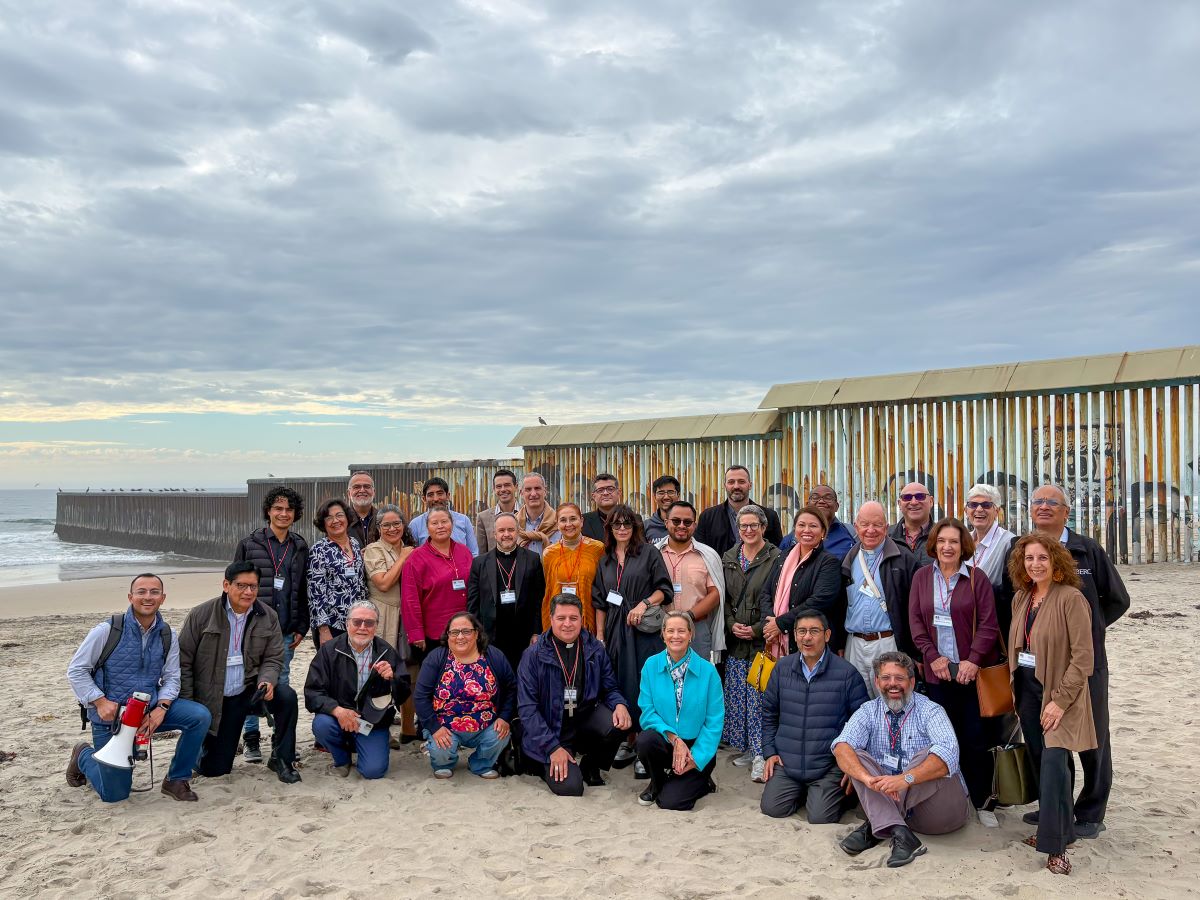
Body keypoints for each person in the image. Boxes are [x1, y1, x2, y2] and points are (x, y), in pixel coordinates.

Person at [1001, 483, 1129, 837]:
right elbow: (1010, 599)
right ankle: (1054, 806)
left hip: (1082, 665)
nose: (1043, 507)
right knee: (1043, 740)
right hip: (1033, 667)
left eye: (1051, 502)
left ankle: (1090, 811)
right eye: (1037, 501)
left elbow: (1117, 600)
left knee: (1092, 738)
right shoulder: (1020, 548)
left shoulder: (1086, 549)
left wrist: (1086, 631)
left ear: (1066, 511)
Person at [65, 574, 211, 803]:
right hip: (111, 718)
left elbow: (173, 677)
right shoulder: (107, 630)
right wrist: (100, 702)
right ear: (130, 596)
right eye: (141, 591)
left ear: (162, 598)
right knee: (115, 795)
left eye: (154, 592)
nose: (147, 597)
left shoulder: (167, 635)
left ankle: (176, 778)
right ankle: (83, 754)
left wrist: (161, 708)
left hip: (148, 711)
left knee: (199, 716)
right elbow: (76, 670)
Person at [1007, 534, 1096, 876]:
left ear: (1056, 561)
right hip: (1027, 692)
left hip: (1061, 694)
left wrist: (1059, 701)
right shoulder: (1021, 598)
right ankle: (1064, 831)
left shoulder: (1071, 598)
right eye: (1029, 558)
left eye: (1042, 557)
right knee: (1041, 763)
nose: (1035, 564)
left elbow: (1083, 659)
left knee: (1056, 766)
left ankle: (1055, 847)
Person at [832, 652, 972, 868]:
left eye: (900, 678)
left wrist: (905, 779)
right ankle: (899, 831)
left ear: (912, 682)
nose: (893, 684)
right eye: (886, 678)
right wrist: (866, 779)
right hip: (890, 799)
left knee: (931, 755)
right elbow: (841, 746)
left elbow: (948, 754)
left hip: (937, 813)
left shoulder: (931, 710)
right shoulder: (868, 711)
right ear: (877, 682)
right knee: (855, 755)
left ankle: (877, 826)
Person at [177, 562, 301, 783]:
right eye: (242, 586)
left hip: (250, 690)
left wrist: (267, 681)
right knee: (215, 769)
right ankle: (203, 748)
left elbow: (273, 658)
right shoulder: (201, 615)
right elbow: (183, 661)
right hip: (216, 698)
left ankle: (282, 758)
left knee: (287, 697)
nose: (248, 592)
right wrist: (189, 704)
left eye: (253, 586)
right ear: (226, 585)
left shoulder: (268, 616)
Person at [908, 518, 1000, 809]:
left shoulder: (977, 578)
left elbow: (988, 625)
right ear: (934, 545)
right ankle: (948, 799)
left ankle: (983, 802)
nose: (948, 547)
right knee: (942, 739)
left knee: (975, 739)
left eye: (954, 542)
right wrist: (932, 657)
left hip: (971, 675)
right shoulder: (922, 577)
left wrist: (972, 662)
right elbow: (916, 623)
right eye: (943, 541)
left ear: (964, 547)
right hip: (938, 675)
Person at [517, 594, 633, 796]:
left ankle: (590, 765)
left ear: (581, 618)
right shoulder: (533, 655)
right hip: (551, 730)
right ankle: (541, 761)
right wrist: (553, 748)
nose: (567, 624)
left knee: (620, 722)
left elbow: (610, 687)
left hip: (581, 721)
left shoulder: (594, 648)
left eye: (573, 618)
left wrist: (620, 705)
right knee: (571, 788)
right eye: (561, 618)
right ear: (551, 619)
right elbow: (527, 709)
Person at [760, 610, 869, 821]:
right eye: (801, 631)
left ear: (827, 635)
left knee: (820, 818)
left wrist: (852, 764)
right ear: (794, 635)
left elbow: (862, 724)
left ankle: (828, 794)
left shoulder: (847, 674)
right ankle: (803, 792)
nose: (807, 637)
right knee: (772, 809)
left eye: (813, 631)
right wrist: (770, 752)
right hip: (787, 763)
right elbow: (769, 714)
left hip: (828, 766)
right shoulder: (782, 668)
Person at [591, 505, 673, 776]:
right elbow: (599, 601)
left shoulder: (649, 553)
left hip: (643, 632)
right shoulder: (604, 559)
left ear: (635, 527)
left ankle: (645, 744)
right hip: (615, 631)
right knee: (620, 683)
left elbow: (665, 590)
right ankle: (629, 739)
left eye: (627, 524)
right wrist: (600, 636)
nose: (622, 529)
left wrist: (643, 604)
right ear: (610, 529)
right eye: (617, 525)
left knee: (645, 684)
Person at [232, 485, 309, 764]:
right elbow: (234, 585)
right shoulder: (249, 543)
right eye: (278, 508)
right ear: (268, 511)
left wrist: (302, 625)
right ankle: (251, 739)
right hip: (250, 627)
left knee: (283, 684)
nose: (283, 513)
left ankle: (281, 740)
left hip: (286, 629)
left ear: (295, 513)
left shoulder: (300, 546)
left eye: (289, 509)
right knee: (249, 682)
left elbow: (303, 589)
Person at [304, 599, 412, 779]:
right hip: (338, 719)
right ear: (347, 624)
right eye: (357, 622)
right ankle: (342, 759)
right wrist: (338, 711)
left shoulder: (386, 651)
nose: (363, 627)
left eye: (369, 623)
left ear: (376, 626)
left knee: (373, 771)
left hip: (372, 723)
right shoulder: (329, 651)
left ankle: (369, 744)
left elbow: (403, 695)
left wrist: (393, 679)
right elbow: (312, 692)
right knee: (321, 725)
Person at [635, 611, 725, 810]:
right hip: (666, 740)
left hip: (696, 747)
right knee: (645, 740)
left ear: (691, 634)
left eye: (681, 631)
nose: (676, 636)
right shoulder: (651, 666)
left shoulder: (708, 672)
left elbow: (714, 721)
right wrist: (675, 739)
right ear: (663, 634)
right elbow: (647, 711)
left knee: (671, 802)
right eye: (670, 631)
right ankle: (657, 782)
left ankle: (702, 780)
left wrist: (697, 757)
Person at [413, 612, 517, 779]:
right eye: (454, 632)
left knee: (501, 734)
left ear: (476, 633)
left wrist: (504, 717)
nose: (460, 637)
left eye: (466, 631)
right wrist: (434, 728)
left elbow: (512, 688)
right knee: (441, 750)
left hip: (486, 723)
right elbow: (420, 696)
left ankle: (481, 764)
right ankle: (444, 763)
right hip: (445, 725)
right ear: (448, 636)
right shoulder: (436, 658)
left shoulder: (494, 656)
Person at [720, 504, 781, 783]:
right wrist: (731, 624)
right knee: (738, 698)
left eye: (753, 525)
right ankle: (746, 747)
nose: (748, 530)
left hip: (762, 642)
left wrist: (757, 629)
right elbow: (727, 600)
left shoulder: (777, 557)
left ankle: (761, 754)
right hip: (736, 641)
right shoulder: (729, 556)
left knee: (760, 700)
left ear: (763, 528)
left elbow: (777, 600)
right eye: (743, 526)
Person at [840, 501, 920, 695]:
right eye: (865, 524)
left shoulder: (904, 559)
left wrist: (916, 652)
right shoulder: (847, 560)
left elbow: (916, 609)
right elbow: (840, 606)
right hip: (855, 644)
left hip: (889, 642)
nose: (870, 530)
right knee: (857, 703)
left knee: (893, 699)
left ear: (886, 527)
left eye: (877, 525)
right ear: (856, 526)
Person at [363, 504, 418, 746]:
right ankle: (381, 729)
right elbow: (383, 583)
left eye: (397, 523)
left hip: (408, 616)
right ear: (378, 528)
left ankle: (408, 728)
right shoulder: (373, 551)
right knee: (381, 672)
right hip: (383, 615)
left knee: (410, 672)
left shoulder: (412, 550)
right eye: (386, 525)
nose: (392, 528)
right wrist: (405, 557)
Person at [761, 506, 843, 659]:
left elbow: (819, 601)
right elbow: (766, 592)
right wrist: (769, 625)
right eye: (801, 525)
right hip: (774, 639)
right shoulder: (783, 557)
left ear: (823, 532)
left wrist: (780, 624)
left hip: (809, 641)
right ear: (795, 530)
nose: (806, 530)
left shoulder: (828, 562)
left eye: (813, 526)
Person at [468, 512, 545, 671]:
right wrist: (475, 634)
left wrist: (537, 632)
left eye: (511, 530)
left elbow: (539, 599)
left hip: (523, 635)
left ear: (517, 532)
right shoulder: (479, 563)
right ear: (494, 534)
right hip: (491, 636)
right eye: (501, 531)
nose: (506, 534)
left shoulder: (532, 559)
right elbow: (473, 604)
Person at [652, 500, 725, 663]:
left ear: (695, 525)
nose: (682, 525)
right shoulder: (652, 553)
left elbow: (715, 593)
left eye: (687, 522)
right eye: (676, 521)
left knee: (697, 680)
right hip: (658, 628)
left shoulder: (708, 555)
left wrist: (688, 617)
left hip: (696, 629)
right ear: (666, 522)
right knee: (661, 679)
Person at [400, 506, 473, 657]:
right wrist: (416, 634)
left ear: (452, 524)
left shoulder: (464, 552)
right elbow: (410, 599)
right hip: (434, 634)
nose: (440, 526)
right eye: (434, 523)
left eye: (444, 521)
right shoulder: (416, 559)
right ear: (427, 527)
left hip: (466, 630)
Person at [307, 498, 367, 649]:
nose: (335, 521)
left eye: (339, 515)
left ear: (347, 517)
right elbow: (315, 594)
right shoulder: (319, 550)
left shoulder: (354, 543)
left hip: (358, 622)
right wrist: (323, 629)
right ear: (323, 523)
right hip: (333, 626)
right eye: (329, 517)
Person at [541, 503, 605, 632]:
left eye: (573, 519)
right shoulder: (549, 553)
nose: (568, 524)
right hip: (559, 621)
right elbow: (548, 590)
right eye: (563, 520)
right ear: (557, 524)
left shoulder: (597, 549)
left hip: (589, 618)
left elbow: (602, 588)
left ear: (581, 521)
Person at [695, 465, 784, 555]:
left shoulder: (770, 516)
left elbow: (777, 552)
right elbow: (700, 552)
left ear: (750, 485)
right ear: (725, 486)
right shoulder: (707, 517)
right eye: (731, 482)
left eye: (741, 482)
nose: (736, 486)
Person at [779, 486, 857, 560]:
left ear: (837, 506)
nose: (821, 501)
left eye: (828, 497)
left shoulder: (853, 534)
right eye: (815, 497)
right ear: (808, 506)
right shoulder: (791, 540)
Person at [409, 477, 481, 556]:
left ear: (448, 496)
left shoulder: (463, 520)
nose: (436, 499)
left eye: (440, 493)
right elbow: (412, 556)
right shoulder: (415, 524)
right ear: (424, 499)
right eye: (431, 495)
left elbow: (474, 553)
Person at [963, 483, 1016, 589]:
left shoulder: (1009, 542)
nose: (978, 509)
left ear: (996, 511)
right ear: (966, 511)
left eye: (986, 505)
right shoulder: (962, 540)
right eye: (973, 505)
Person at [475, 468, 521, 555]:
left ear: (516, 487)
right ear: (494, 489)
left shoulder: (526, 513)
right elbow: (481, 554)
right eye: (499, 486)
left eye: (507, 485)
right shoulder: (483, 518)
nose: (503, 489)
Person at [890, 482, 935, 566]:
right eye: (907, 497)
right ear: (899, 504)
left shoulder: (943, 536)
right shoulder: (885, 537)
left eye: (920, 496)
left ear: (931, 501)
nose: (914, 502)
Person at [516, 472, 558, 555]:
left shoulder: (559, 522)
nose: (533, 494)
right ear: (521, 493)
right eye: (528, 489)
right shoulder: (513, 524)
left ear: (545, 491)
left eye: (537, 488)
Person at [582, 473, 621, 542]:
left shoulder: (634, 519)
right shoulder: (583, 521)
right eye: (600, 490)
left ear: (619, 493)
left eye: (610, 489)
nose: (605, 493)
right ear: (594, 496)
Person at [643, 475, 681, 543]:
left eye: (671, 492)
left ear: (678, 495)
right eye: (661, 493)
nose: (666, 497)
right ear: (654, 497)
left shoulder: (687, 525)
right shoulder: (645, 527)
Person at [346, 471, 378, 549]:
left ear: (374, 492)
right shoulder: (341, 522)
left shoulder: (383, 519)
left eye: (367, 486)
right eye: (356, 487)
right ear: (349, 493)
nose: (362, 490)